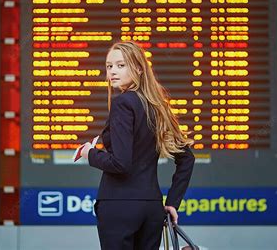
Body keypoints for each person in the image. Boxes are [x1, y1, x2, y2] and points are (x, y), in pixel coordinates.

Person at [80, 41, 195, 250]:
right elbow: (187, 158)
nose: (113, 71)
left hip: (120, 206)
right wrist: (172, 203)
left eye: (121, 65)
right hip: (152, 208)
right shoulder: (158, 106)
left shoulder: (122, 103)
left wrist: (90, 154)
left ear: (139, 68)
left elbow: (121, 163)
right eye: (109, 66)